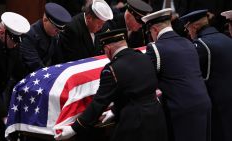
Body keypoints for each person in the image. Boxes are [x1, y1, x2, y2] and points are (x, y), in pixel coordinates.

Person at [52, 28, 168, 141]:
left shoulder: (112, 69)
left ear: (107, 49)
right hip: (157, 117)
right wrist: (114, 110)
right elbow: (134, 90)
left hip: (134, 124)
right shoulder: (145, 57)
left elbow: (99, 102)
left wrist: (74, 128)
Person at [142, 8, 211, 141]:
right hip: (203, 103)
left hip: (181, 110)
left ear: (154, 30)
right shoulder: (189, 43)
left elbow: (146, 77)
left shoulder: (155, 48)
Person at [180, 9, 232, 141]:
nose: (188, 32)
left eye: (188, 28)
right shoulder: (226, 38)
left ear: (195, 27)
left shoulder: (201, 45)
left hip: (216, 103)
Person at [0, 12, 30, 141]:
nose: (16, 45)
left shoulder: (12, 44)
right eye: (14, 40)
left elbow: (19, 70)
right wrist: (4, 117)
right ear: (2, 33)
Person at [52, 0, 113, 64]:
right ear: (89, 18)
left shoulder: (105, 27)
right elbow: (71, 59)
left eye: (103, 24)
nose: (101, 27)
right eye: (98, 24)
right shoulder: (72, 29)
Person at [19, 2, 71, 73]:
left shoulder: (53, 34)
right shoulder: (29, 35)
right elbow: (35, 65)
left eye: (60, 30)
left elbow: (58, 59)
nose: (58, 32)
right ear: (45, 20)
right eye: (56, 29)